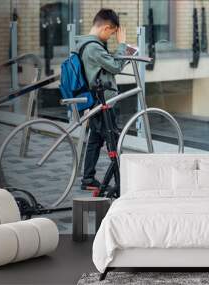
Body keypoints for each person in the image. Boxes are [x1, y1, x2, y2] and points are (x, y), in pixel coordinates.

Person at [76, 9, 127, 190]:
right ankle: (121, 183)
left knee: (96, 140)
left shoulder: (85, 43)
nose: (112, 37)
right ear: (106, 28)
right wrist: (122, 45)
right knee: (113, 140)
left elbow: (104, 64)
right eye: (112, 33)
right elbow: (115, 67)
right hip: (103, 101)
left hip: (96, 99)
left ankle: (88, 179)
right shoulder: (93, 47)